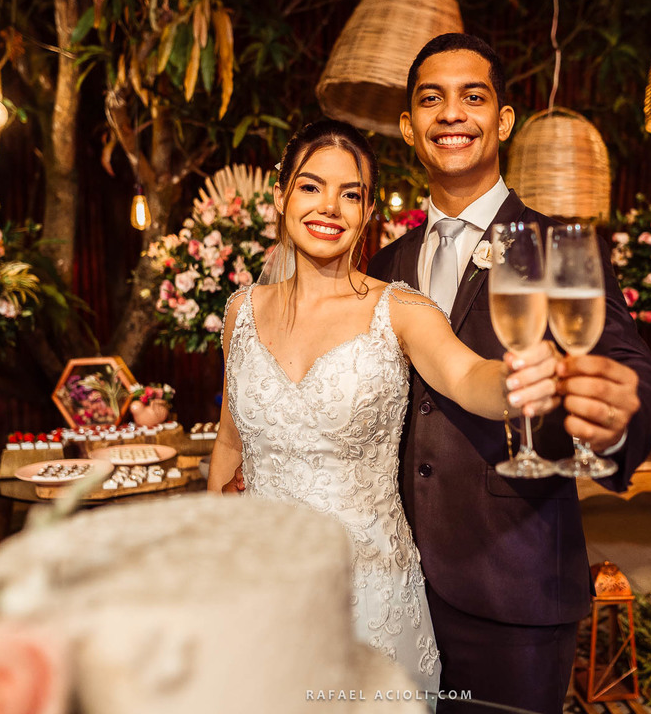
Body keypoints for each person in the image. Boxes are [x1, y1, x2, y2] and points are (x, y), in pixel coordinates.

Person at [365, 33, 651, 714]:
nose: (452, 113)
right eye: (431, 99)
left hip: (511, 585)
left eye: (472, 97)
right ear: (409, 126)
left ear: (502, 121)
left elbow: (629, 362)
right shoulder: (384, 265)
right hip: (392, 588)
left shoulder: (553, 245)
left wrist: (622, 413)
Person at [207, 119, 562, 698]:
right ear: (281, 195)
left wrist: (521, 380)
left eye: (350, 194)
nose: (330, 207)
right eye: (311, 186)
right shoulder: (240, 312)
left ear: (368, 211)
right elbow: (230, 442)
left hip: (369, 597)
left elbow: (466, 375)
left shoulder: (399, 309)